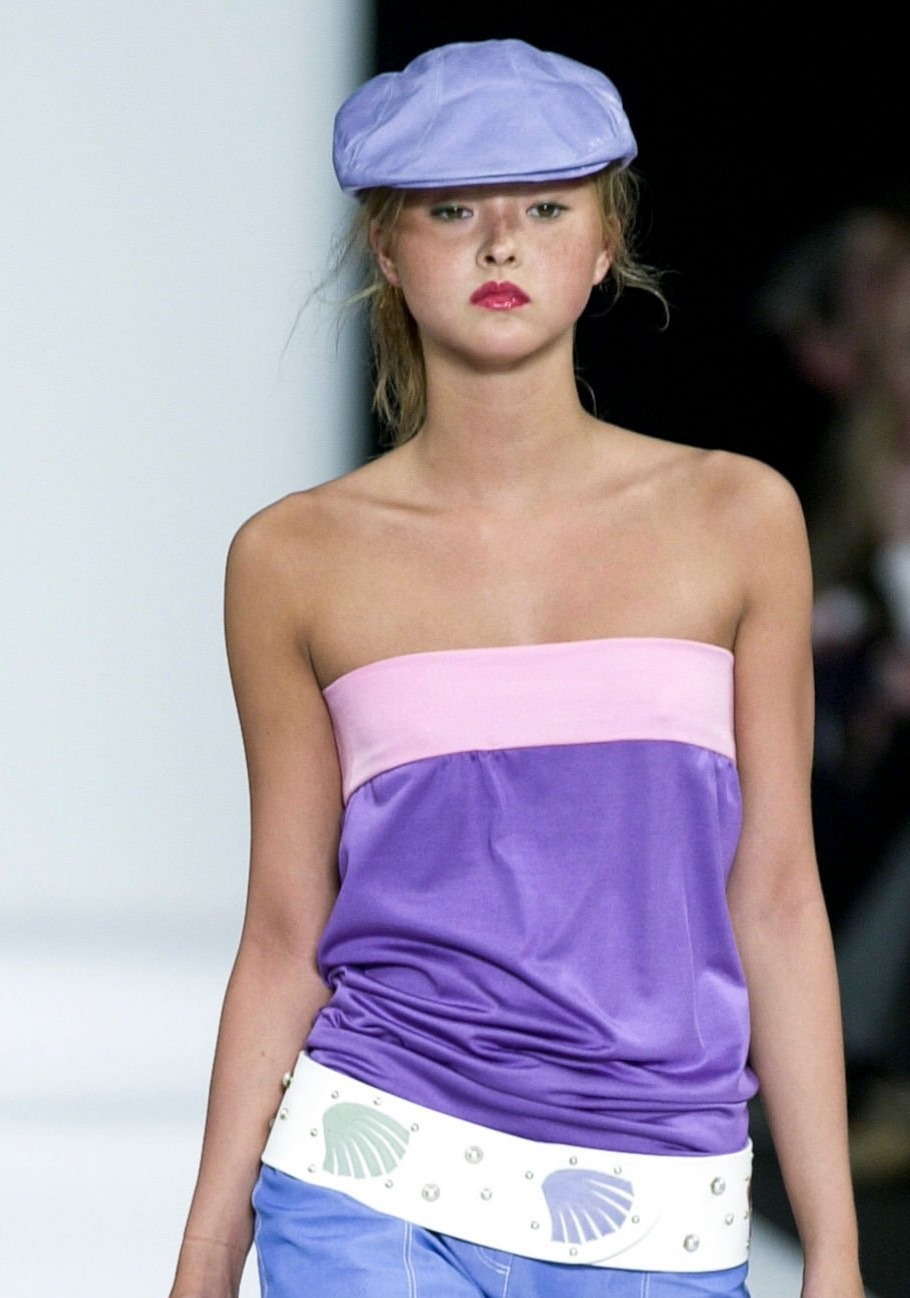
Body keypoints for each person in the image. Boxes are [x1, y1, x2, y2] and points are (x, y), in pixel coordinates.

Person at [167, 39, 864, 1298]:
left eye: (545, 206)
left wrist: (836, 1255)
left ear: (604, 243)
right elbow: (284, 927)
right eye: (451, 209)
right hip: (368, 1174)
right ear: (387, 248)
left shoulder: (736, 519)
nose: (500, 243)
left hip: (657, 1202)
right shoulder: (293, 558)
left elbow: (773, 895)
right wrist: (205, 1257)